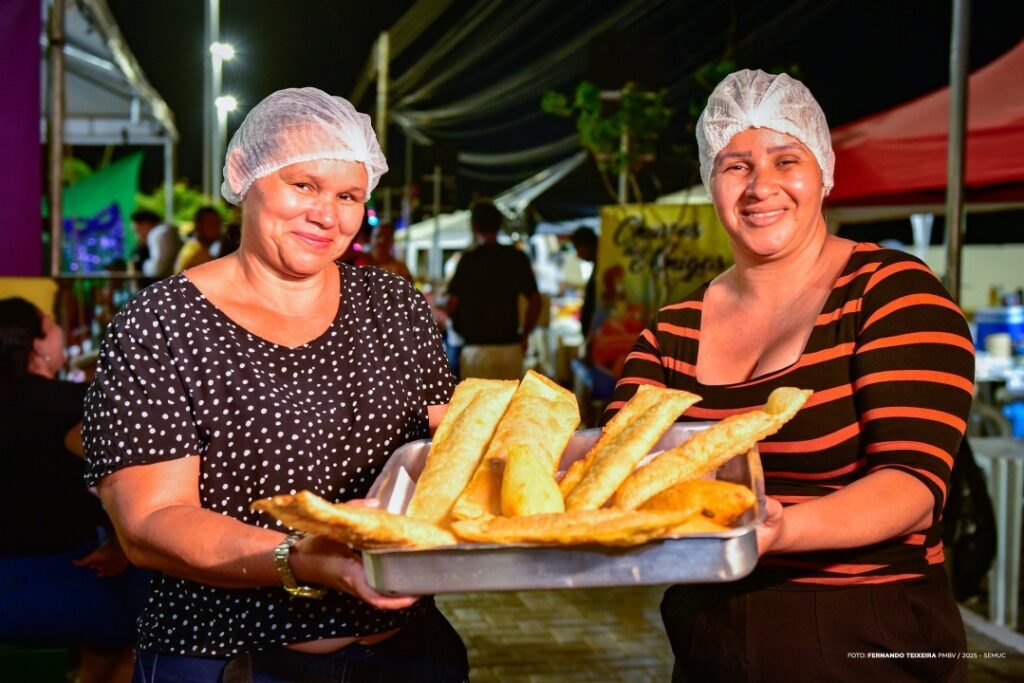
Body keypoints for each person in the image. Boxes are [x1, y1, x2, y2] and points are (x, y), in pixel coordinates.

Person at [83, 87, 468, 682]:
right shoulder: (160, 323)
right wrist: (300, 558)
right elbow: (151, 522)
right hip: (227, 659)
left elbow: (447, 449)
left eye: (348, 195)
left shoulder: (393, 305)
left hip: (407, 655)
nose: (327, 214)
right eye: (303, 185)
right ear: (243, 173)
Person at [608, 70, 973, 682]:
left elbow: (911, 486)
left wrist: (776, 527)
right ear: (711, 182)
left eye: (785, 160)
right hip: (710, 629)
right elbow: (622, 469)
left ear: (823, 171)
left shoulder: (893, 295)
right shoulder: (671, 331)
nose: (761, 187)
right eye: (736, 166)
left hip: (869, 632)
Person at [0, 297, 150, 683]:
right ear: (37, 345)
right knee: (147, 605)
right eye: (51, 327)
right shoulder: (71, 405)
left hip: (27, 575)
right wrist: (120, 546)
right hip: (53, 576)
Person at [446, 200, 541, 380]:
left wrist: (458, 326)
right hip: (510, 347)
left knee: (478, 407)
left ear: (474, 227)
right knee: (508, 407)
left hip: (476, 350)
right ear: (500, 225)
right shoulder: (516, 257)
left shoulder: (468, 261)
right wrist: (525, 335)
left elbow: (452, 304)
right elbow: (536, 300)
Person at [130, 209, 183, 283]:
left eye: (137, 232)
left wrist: (143, 266)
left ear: (145, 224)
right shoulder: (167, 232)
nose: (137, 237)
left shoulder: (159, 234)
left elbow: (157, 269)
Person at [174, 205, 223, 272]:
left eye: (218, 223)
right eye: (210, 224)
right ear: (198, 226)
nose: (216, 227)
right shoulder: (196, 253)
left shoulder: (197, 248)